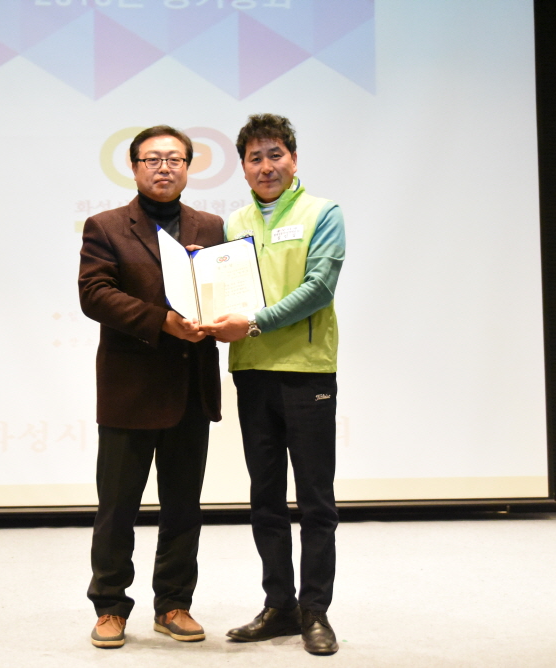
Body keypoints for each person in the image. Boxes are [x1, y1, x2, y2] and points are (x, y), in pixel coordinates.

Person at [202, 114, 346, 656]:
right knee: (265, 498)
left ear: (294, 159)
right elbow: (217, 290)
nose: (266, 166)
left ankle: (315, 611)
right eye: (255, 158)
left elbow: (319, 287)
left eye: (275, 154)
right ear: (242, 167)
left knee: (315, 499)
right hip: (252, 372)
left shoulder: (323, 213)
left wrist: (256, 322)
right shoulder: (234, 223)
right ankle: (279, 606)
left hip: (307, 371)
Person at [78, 125, 224, 649]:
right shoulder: (106, 226)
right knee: (117, 508)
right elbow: (95, 294)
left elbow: (225, 291)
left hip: (190, 388)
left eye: (175, 159)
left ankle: (174, 604)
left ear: (188, 166)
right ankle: (110, 606)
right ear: (134, 166)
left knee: (184, 507)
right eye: (153, 159)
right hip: (130, 390)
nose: (165, 168)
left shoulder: (212, 226)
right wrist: (162, 320)